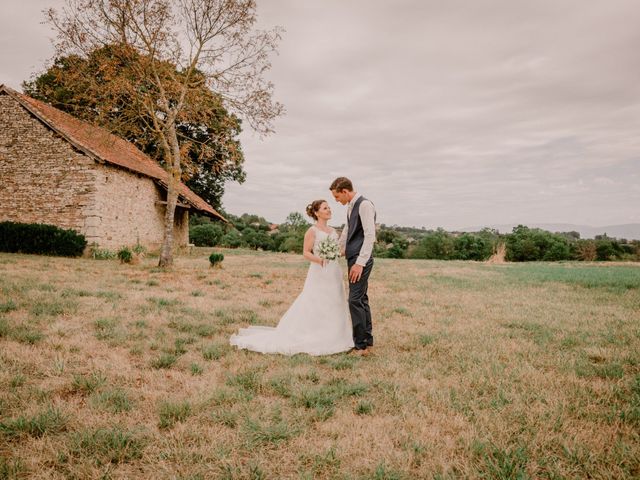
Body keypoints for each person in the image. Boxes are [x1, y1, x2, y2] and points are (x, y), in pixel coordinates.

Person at [229, 200, 354, 355]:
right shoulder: (312, 231)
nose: (329, 210)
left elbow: (338, 250)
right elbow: (306, 252)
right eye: (325, 208)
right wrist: (320, 259)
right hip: (319, 271)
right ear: (316, 213)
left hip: (334, 271)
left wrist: (341, 253)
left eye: (329, 207)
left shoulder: (334, 231)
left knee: (336, 301)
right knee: (316, 301)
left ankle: (336, 336)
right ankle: (313, 335)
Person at [330, 177, 376, 356]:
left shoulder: (365, 205)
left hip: (360, 260)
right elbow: (348, 231)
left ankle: (361, 346)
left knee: (354, 300)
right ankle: (367, 342)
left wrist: (359, 263)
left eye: (336, 197)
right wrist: (338, 250)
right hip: (353, 257)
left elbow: (370, 236)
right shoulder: (350, 206)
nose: (336, 200)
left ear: (345, 191)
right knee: (362, 299)